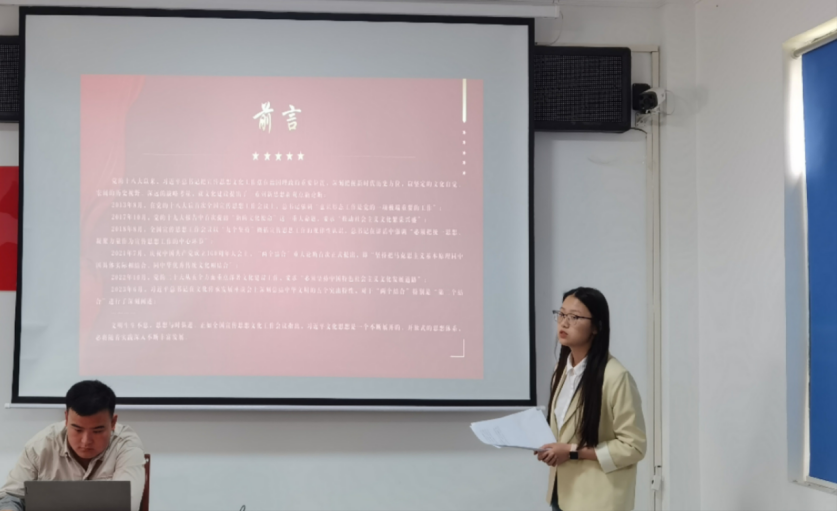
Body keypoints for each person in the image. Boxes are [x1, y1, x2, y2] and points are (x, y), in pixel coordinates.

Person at [535, 287, 646, 511]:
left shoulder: (616, 377)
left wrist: (572, 451)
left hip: (598, 500)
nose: (564, 323)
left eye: (574, 317)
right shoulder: (561, 371)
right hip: (562, 495)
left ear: (596, 327)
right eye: (561, 314)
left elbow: (633, 447)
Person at [0, 380, 145, 511]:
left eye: (97, 431)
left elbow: (126, 505)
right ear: (66, 418)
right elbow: (11, 496)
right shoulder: (40, 446)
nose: (86, 441)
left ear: (113, 422)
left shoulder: (126, 446)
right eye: (78, 429)